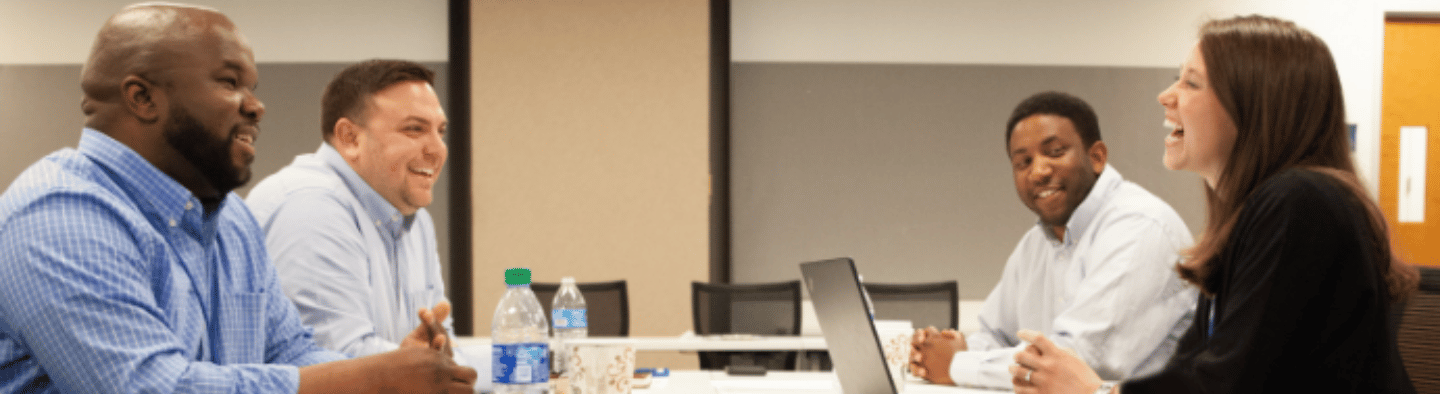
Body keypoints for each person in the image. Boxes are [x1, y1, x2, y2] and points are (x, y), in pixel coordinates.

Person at [0, 4, 475, 393]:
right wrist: (370, 380)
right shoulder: (61, 215)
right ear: (142, 99)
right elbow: (150, 388)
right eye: (229, 83)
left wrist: (394, 368)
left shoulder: (229, 222)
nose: (255, 105)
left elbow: (289, 351)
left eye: (252, 87)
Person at [1009, 15, 1420, 394]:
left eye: (1190, 83)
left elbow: (1227, 384)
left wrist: (1094, 392)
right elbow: (1198, 368)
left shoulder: (1300, 201)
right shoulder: (1256, 216)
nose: (1165, 96)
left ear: (1253, 102)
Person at [910, 91, 1198, 389]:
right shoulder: (1035, 244)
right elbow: (994, 334)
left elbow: (1074, 361)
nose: (1038, 172)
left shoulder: (1140, 227)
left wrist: (958, 364)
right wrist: (941, 351)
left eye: (1055, 152)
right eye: (1023, 162)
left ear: (1097, 157)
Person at [247, 59, 453, 358]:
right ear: (350, 138)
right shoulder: (310, 207)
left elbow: (442, 349)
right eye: (414, 130)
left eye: (440, 131)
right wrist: (417, 366)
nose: (437, 149)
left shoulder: (414, 218)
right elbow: (335, 363)